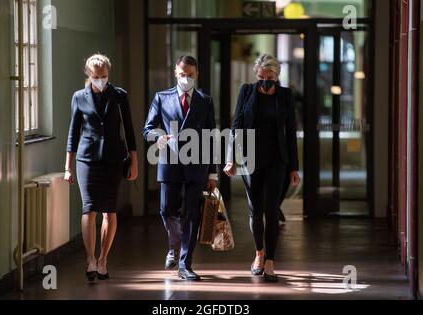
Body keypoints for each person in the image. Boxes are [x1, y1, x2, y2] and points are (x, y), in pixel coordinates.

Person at [224, 54, 300, 282]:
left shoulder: (285, 96)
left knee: (270, 209)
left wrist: (294, 167)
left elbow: (291, 132)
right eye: (261, 77)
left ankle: (270, 261)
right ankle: (259, 254)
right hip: (250, 158)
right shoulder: (246, 91)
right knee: (255, 210)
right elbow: (236, 124)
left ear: (277, 76)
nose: (264, 81)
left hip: (277, 159)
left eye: (269, 77)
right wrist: (230, 158)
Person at [143, 55, 218, 281]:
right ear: (176, 74)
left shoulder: (205, 100)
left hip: (197, 165)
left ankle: (185, 264)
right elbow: (147, 128)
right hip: (170, 161)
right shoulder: (161, 98)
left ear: (197, 75)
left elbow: (211, 137)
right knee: (167, 209)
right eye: (182, 74)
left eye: (191, 75)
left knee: (192, 215)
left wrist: (212, 172)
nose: (186, 78)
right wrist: (158, 137)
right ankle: (174, 246)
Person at [64, 54, 138, 282]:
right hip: (86, 159)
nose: (100, 80)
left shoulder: (119, 96)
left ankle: (103, 259)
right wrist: (67, 166)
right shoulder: (79, 97)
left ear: (108, 74)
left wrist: (133, 161)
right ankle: (90, 259)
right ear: (88, 75)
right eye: (96, 77)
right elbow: (73, 133)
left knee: (110, 210)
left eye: (104, 76)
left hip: (113, 159)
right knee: (88, 208)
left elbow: (129, 129)